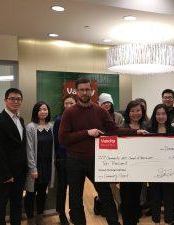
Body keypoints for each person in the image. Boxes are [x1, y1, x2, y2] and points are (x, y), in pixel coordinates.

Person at [59, 78, 147, 225]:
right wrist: (87, 133)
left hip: (96, 160)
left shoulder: (100, 111)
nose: (85, 92)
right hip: (74, 161)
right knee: (75, 199)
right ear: (77, 91)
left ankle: (114, 223)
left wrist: (135, 132)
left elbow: (115, 130)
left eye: (87, 89)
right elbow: (63, 138)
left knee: (106, 195)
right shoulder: (69, 113)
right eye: (81, 90)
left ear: (92, 91)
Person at [0, 88, 27, 225]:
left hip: (20, 172)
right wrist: (6, 174)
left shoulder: (21, 120)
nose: (15, 101)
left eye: (18, 99)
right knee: (1, 205)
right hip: (5, 174)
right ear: (5, 100)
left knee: (17, 204)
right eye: (12, 98)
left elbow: (21, 147)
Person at [24, 101, 56, 225]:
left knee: (42, 192)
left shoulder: (52, 126)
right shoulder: (31, 127)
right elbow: (29, 149)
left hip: (47, 166)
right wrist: (33, 168)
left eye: (45, 109)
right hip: (35, 166)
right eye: (40, 110)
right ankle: (30, 218)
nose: (43, 112)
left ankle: (40, 216)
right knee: (31, 193)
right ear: (36, 112)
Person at [120, 99, 148, 225]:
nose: (136, 113)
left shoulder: (147, 126)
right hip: (125, 169)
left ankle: (134, 220)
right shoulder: (122, 127)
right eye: (132, 111)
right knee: (126, 198)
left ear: (142, 112)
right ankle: (127, 221)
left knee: (137, 197)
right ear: (128, 112)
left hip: (141, 169)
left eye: (138, 110)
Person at [148, 104, 174, 225]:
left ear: (167, 115)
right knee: (155, 197)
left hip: (170, 170)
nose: (161, 116)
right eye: (158, 114)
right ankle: (156, 220)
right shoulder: (149, 131)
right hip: (154, 170)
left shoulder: (173, 130)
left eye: (163, 114)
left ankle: (169, 220)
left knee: (169, 197)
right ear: (154, 116)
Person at [53, 94, 77, 225]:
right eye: (66, 103)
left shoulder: (80, 119)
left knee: (75, 188)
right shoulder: (59, 120)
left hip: (77, 158)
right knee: (62, 187)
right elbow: (57, 142)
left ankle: (74, 212)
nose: (68, 105)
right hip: (63, 158)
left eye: (71, 103)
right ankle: (61, 213)